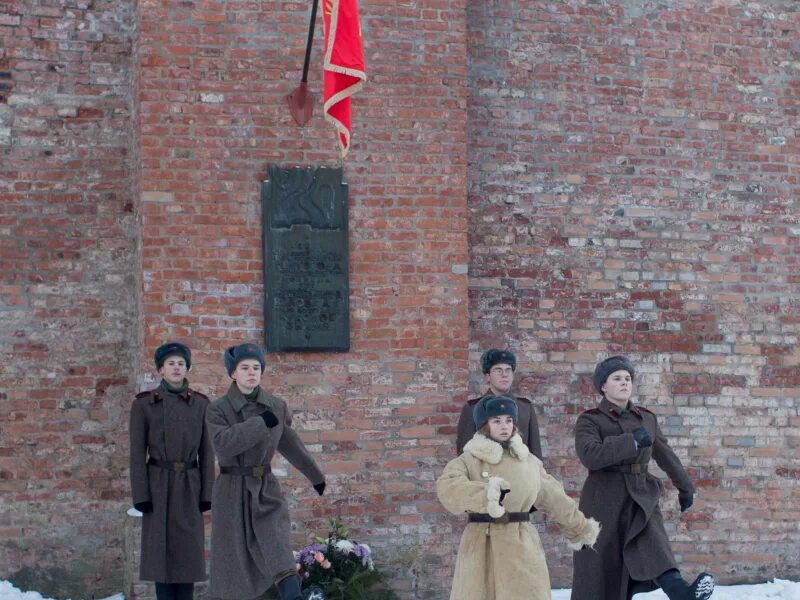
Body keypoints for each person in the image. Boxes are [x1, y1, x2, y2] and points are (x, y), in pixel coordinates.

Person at [571, 356, 715, 600]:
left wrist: (685, 488)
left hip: (641, 494)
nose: (624, 383)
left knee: (654, 543)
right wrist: (632, 442)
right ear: (603, 386)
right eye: (616, 378)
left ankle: (681, 593)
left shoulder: (646, 418)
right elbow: (590, 455)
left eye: (627, 378)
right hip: (604, 499)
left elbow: (665, 454)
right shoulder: (591, 419)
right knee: (603, 570)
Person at [437, 395, 600, 600]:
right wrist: (486, 495)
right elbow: (448, 487)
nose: (504, 426)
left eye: (509, 420)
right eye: (496, 421)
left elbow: (554, 497)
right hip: (481, 545)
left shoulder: (528, 461)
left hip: (521, 544)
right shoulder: (468, 460)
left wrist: (580, 529)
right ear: (484, 425)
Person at [205, 343, 326, 600]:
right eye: (245, 368)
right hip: (231, 489)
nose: (252, 373)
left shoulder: (276, 406)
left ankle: (293, 595)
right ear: (232, 374)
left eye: (256, 368)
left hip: (264, 486)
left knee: (276, 541)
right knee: (234, 560)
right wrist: (260, 423)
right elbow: (223, 444)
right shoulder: (218, 409)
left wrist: (316, 476)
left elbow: (291, 444)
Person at [129, 342, 215, 600]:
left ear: (187, 368)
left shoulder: (201, 404)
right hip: (157, 485)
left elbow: (207, 452)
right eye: (171, 363)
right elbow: (136, 453)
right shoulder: (144, 405)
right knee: (160, 556)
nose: (176, 368)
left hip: (189, 484)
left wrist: (206, 493)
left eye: (181, 363)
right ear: (161, 370)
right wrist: (141, 494)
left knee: (187, 555)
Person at [456, 348, 542, 459]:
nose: (504, 375)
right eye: (498, 370)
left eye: (508, 370)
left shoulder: (525, 408)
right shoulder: (473, 408)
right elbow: (464, 452)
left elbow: (535, 453)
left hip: (518, 473)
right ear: (488, 376)